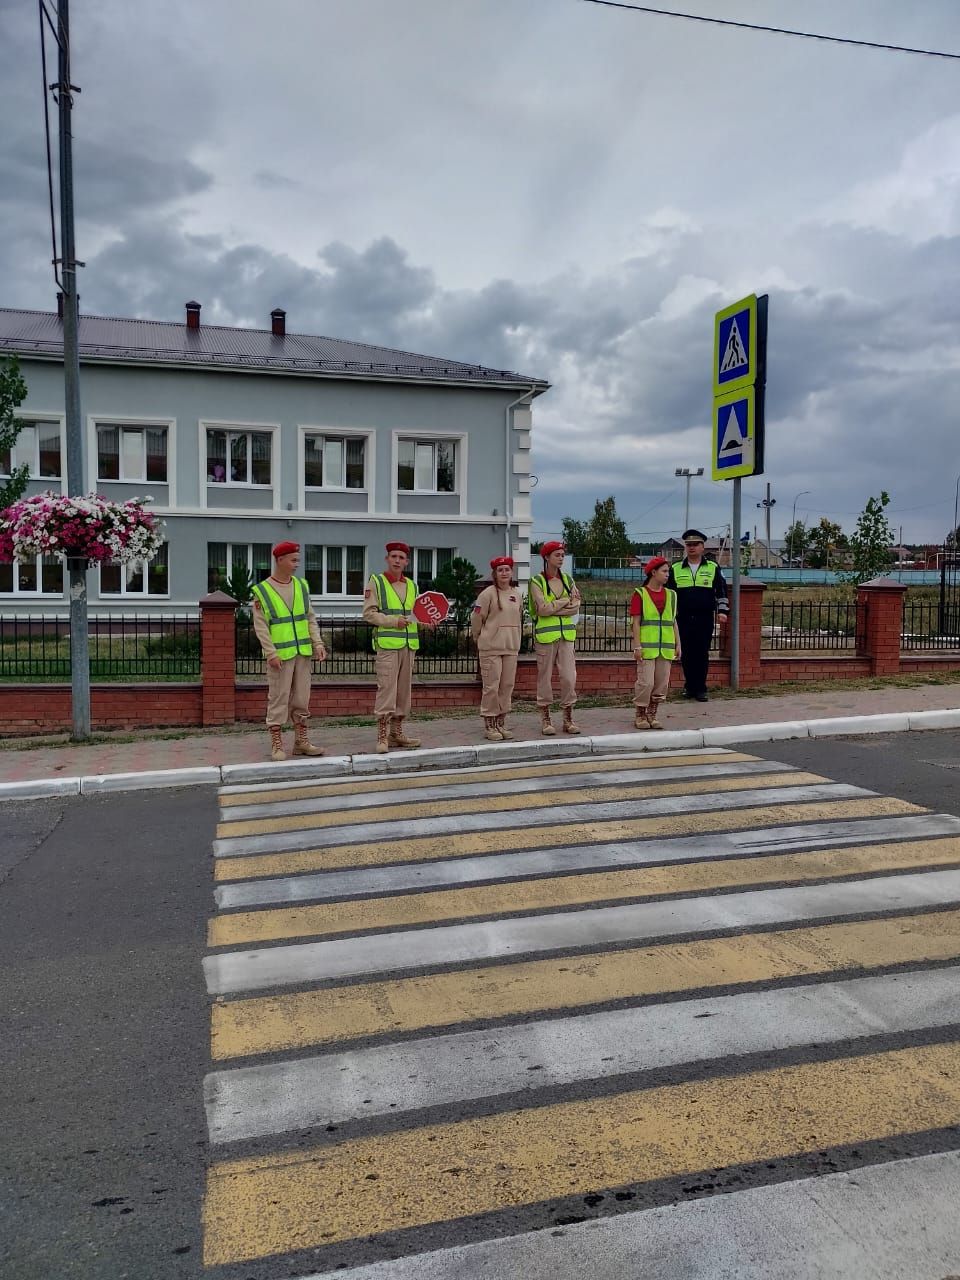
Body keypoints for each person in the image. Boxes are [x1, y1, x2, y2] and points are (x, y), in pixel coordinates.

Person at [251, 541, 327, 762]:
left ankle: (301, 742)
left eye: (298, 560)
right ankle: (277, 743)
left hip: (302, 652)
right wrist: (270, 653)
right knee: (279, 697)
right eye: (293, 560)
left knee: (302, 698)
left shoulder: (301, 586)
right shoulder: (262, 591)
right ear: (280, 560)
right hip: (280, 656)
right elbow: (261, 625)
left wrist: (318, 643)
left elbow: (309, 617)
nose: (297, 564)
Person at [362, 541, 431, 754]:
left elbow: (415, 614)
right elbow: (369, 614)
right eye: (393, 556)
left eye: (401, 557)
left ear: (407, 562)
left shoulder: (412, 585)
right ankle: (382, 735)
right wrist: (393, 621)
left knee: (403, 692)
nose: (397, 560)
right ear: (387, 559)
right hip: (388, 645)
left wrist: (426, 621)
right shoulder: (377, 582)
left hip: (409, 645)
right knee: (386, 690)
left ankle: (397, 732)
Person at [668, 528, 729, 702]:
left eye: (695, 544)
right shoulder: (675, 568)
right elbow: (669, 593)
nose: (691, 547)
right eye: (688, 545)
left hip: (704, 617)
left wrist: (723, 611)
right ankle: (689, 687)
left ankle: (701, 688)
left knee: (702, 652)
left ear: (703, 546)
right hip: (683, 618)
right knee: (685, 653)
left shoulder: (713, 567)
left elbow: (721, 590)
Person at [528, 540, 581, 735]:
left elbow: (576, 606)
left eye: (562, 555)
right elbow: (542, 609)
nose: (561, 558)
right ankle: (546, 718)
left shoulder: (568, 580)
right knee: (545, 679)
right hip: (546, 637)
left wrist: (556, 607)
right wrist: (565, 602)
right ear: (546, 557)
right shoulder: (537, 582)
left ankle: (568, 717)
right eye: (557, 555)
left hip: (567, 636)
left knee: (569, 677)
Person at [471, 556, 523, 741]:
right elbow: (477, 618)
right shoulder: (487, 594)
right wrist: (479, 637)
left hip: (510, 647)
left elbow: (519, 618)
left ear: (511, 572)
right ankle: (490, 723)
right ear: (495, 573)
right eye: (500, 570)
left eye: (507, 569)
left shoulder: (517, 594)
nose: (504, 573)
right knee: (491, 686)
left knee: (506, 686)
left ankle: (502, 721)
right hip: (491, 648)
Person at [629, 556, 680, 730]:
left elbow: (673, 621)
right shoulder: (640, 594)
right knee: (646, 682)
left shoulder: (672, 595)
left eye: (668, 571)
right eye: (664, 571)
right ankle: (640, 714)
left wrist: (678, 644)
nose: (667, 575)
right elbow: (635, 622)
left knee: (661, 683)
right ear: (653, 572)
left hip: (666, 648)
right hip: (646, 648)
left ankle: (653, 713)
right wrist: (637, 646)